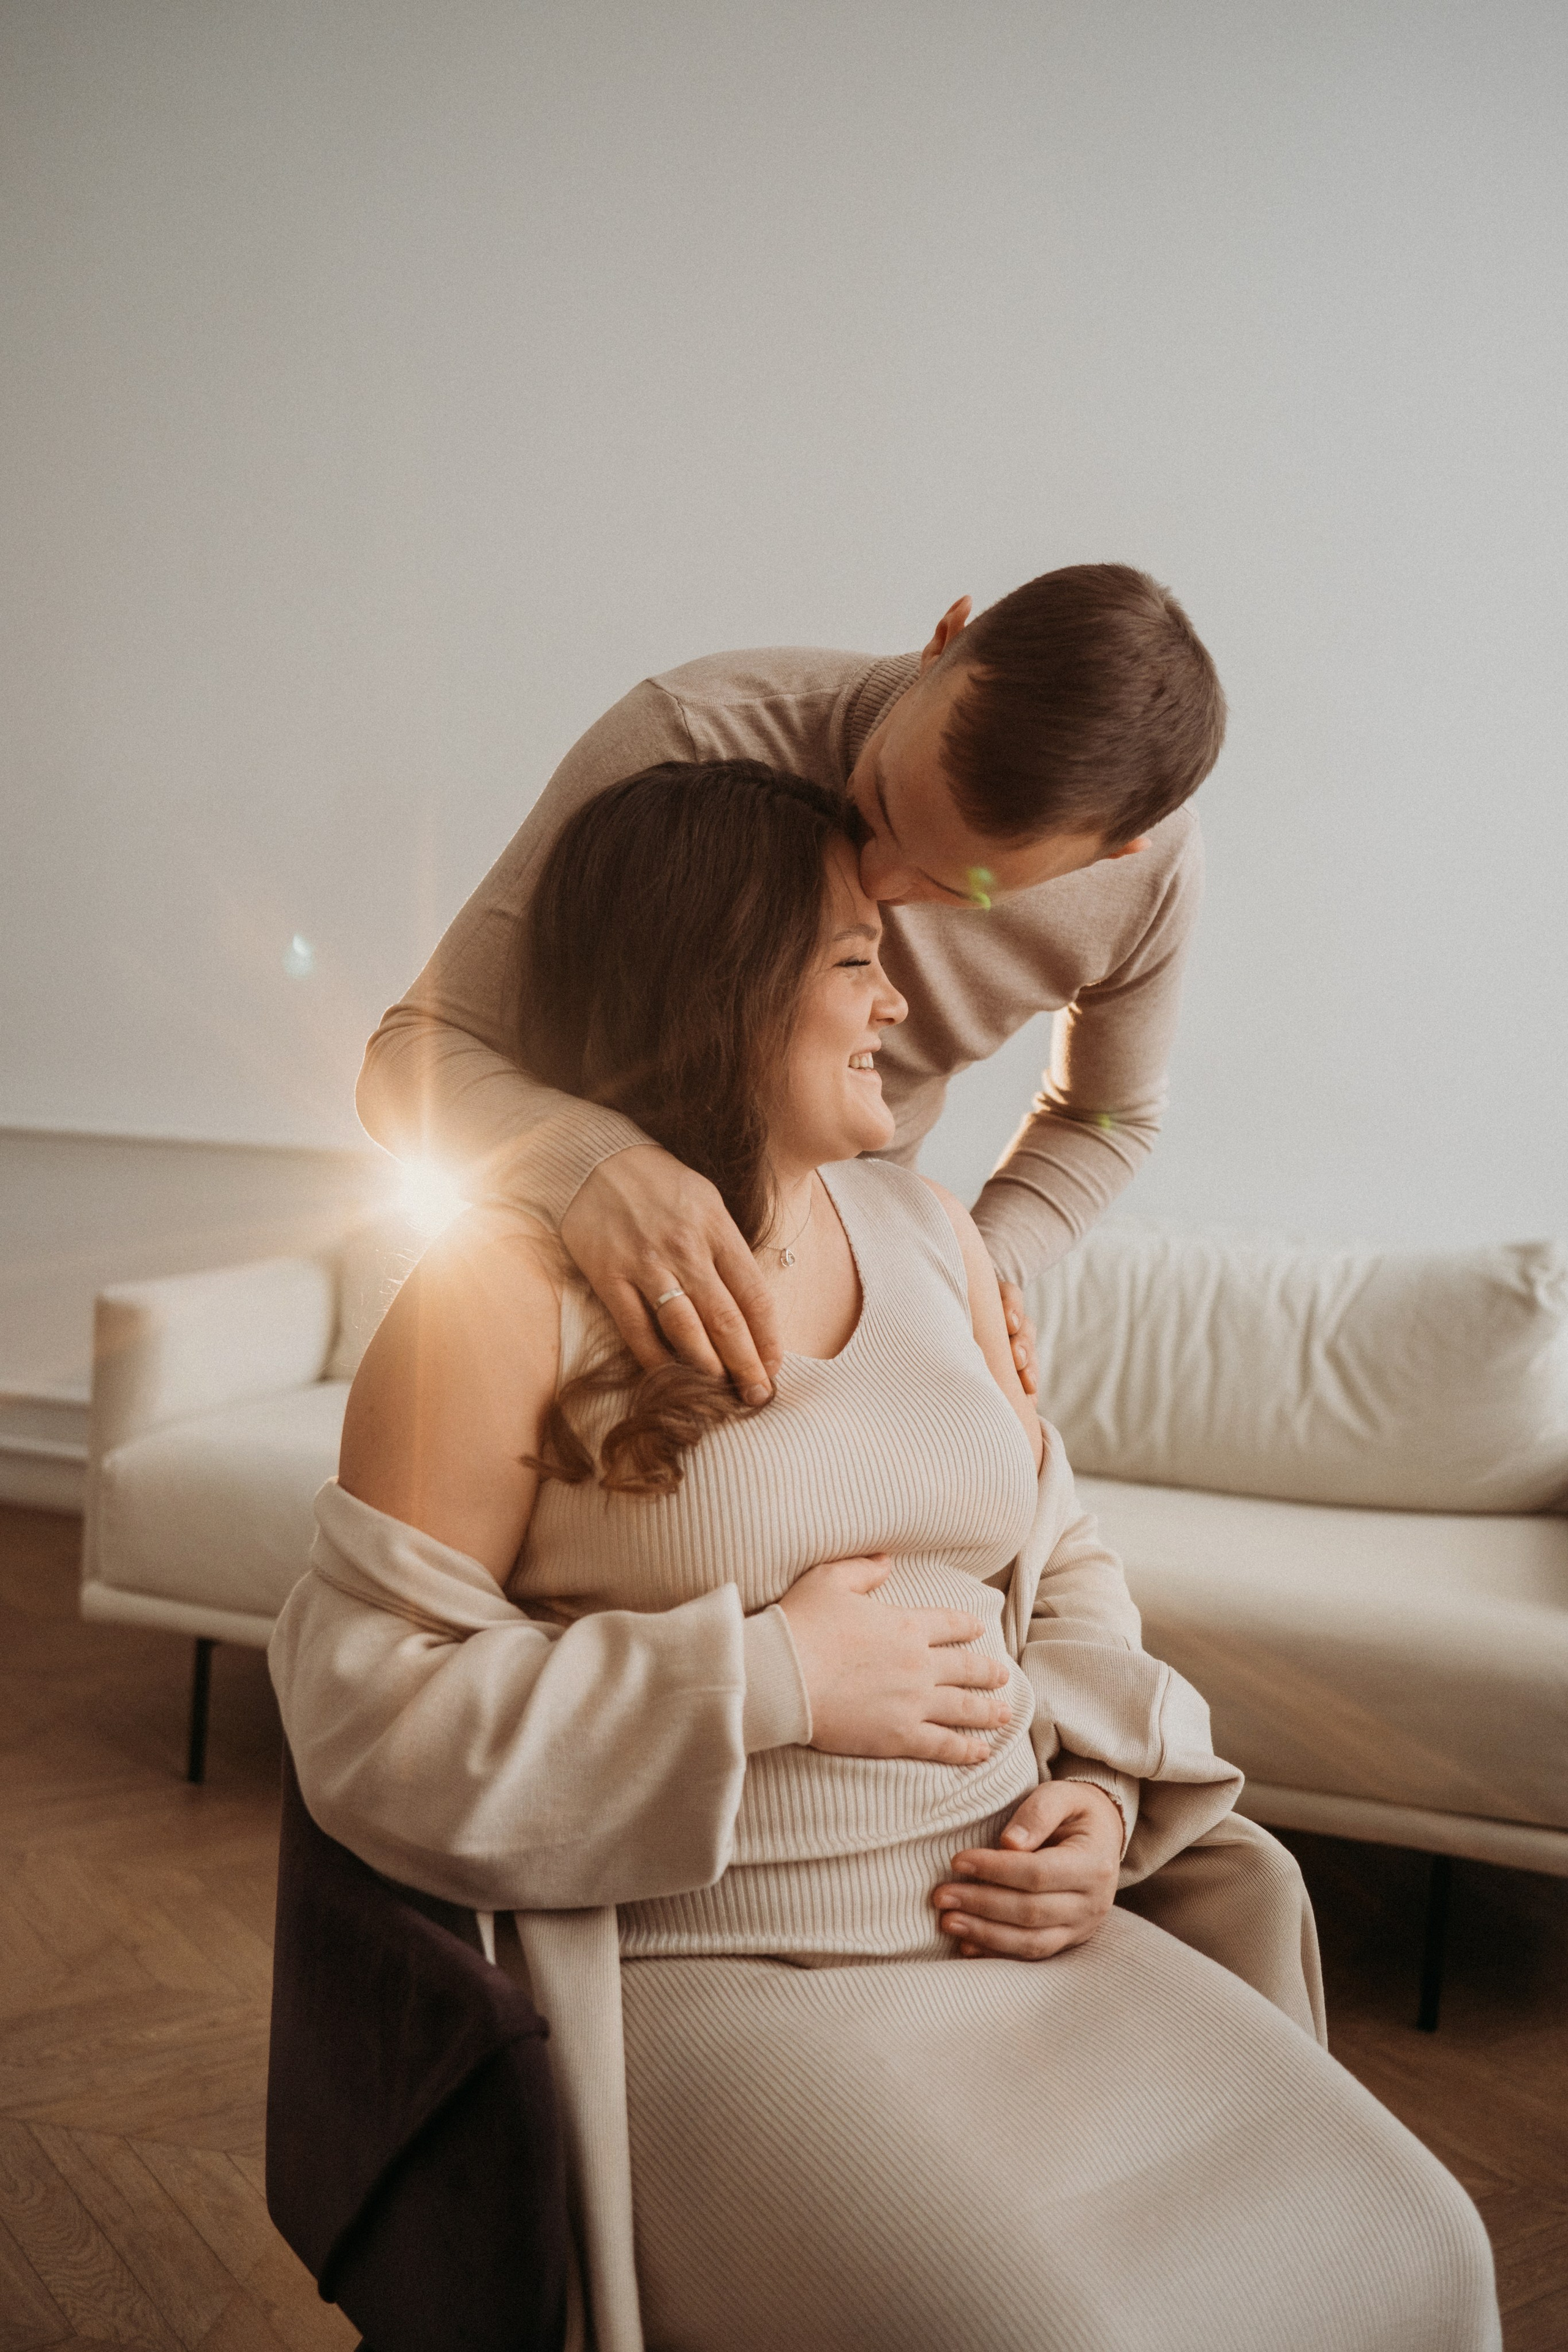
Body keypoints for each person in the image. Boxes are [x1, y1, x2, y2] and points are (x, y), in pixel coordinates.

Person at [273, 764, 1499, 2352]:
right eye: (856, 956)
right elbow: (368, 1712)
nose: (897, 1001)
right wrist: (770, 1676)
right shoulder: (498, 1292)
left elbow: (1063, 1562)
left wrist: (1099, 1802)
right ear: (716, 984)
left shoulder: (930, 1235)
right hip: (723, 1969)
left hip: (1021, 1925)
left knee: (1420, 2249)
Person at [355, 563, 1221, 1410]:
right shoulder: (693, 734)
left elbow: (1105, 1117)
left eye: (960, 888)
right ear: (941, 642)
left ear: (1115, 854)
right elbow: (407, 1062)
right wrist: (596, 1166)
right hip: (579, 1277)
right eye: (879, 800)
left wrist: (973, 1272)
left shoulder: (1146, 886)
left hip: (854, 1292)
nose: (878, 884)